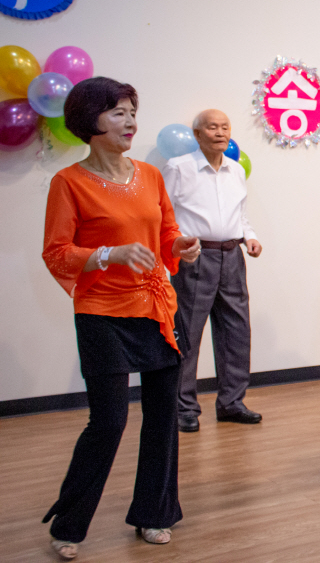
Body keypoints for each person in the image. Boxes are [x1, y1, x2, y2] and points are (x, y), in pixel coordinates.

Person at [40, 77, 201, 560]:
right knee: (109, 421)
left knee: (163, 417)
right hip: (102, 313)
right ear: (90, 121)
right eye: (118, 112)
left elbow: (167, 232)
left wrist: (179, 246)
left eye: (133, 112)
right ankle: (69, 524)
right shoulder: (68, 182)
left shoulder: (149, 176)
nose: (130, 122)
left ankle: (155, 513)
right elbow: (56, 252)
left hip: (156, 307)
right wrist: (109, 254)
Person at [164, 109, 263, 432]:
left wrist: (250, 237)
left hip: (232, 255)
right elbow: (163, 214)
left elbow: (240, 214)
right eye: (212, 127)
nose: (220, 133)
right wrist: (176, 245)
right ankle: (183, 407)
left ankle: (232, 402)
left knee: (237, 331)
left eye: (225, 127)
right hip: (195, 257)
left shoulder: (236, 169)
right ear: (197, 134)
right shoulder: (178, 168)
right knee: (188, 332)